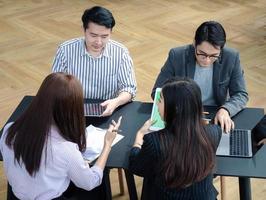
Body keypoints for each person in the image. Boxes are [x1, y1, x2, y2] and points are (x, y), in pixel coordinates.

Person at [0, 72, 122, 200]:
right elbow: (91, 182)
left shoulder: (9, 130)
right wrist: (107, 145)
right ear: (72, 109)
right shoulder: (65, 150)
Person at [129, 77, 222, 200]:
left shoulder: (154, 141)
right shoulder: (215, 132)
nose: (156, 104)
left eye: (160, 100)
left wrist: (139, 137)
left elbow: (136, 166)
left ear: (176, 108)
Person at [151, 21, 248, 133]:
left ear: (221, 49)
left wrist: (226, 109)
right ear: (194, 43)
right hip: (182, 117)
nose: (207, 60)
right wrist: (178, 108)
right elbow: (157, 92)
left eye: (213, 56)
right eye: (202, 54)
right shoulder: (177, 56)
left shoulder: (231, 57)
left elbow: (241, 94)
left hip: (215, 116)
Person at [52, 6, 137, 117]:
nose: (98, 42)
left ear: (111, 32)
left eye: (104, 36)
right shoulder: (65, 50)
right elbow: (55, 86)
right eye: (93, 35)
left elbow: (129, 88)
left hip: (109, 110)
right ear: (84, 30)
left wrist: (116, 102)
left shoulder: (121, 53)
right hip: (72, 111)